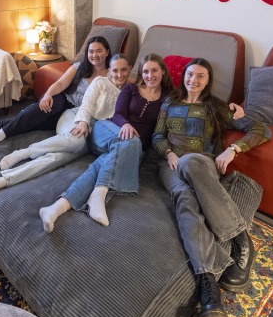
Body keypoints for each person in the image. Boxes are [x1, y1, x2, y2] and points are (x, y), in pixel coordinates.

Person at [151, 58, 271, 317]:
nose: (194, 79)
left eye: (201, 76)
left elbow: (260, 129)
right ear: (184, 76)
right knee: (184, 199)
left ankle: (240, 238)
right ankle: (209, 292)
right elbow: (157, 136)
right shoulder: (169, 103)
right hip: (170, 165)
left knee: (192, 160)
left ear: (208, 81)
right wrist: (168, 152)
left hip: (202, 164)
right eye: (190, 74)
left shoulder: (216, 106)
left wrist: (232, 150)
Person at [37, 53, 174, 232]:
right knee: (130, 142)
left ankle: (55, 208)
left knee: (104, 163)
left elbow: (164, 129)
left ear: (163, 71)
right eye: (146, 71)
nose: (150, 76)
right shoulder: (131, 89)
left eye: (154, 70)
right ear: (141, 73)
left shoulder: (168, 99)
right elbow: (117, 114)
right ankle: (99, 194)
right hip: (107, 129)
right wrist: (125, 124)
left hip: (134, 147)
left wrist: (169, 152)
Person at [0, 54, 132, 202]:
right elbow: (86, 105)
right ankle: (25, 152)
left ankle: (2, 180)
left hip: (92, 135)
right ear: (109, 70)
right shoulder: (101, 82)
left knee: (55, 159)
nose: (119, 74)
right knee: (74, 143)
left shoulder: (130, 92)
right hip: (75, 118)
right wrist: (83, 121)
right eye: (115, 70)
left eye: (124, 69)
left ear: (130, 68)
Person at [0, 36, 111, 148]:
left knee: (32, 120)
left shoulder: (111, 76)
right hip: (61, 100)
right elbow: (61, 83)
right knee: (42, 109)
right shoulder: (79, 67)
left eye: (99, 51)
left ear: (107, 52)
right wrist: (48, 95)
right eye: (91, 51)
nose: (94, 55)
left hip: (75, 113)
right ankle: (1, 134)